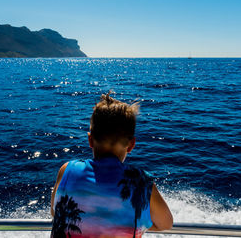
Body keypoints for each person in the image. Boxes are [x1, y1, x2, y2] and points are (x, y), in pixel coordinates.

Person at [50, 92, 173, 237]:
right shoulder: (140, 181)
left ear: (90, 140)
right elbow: (166, 223)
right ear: (131, 145)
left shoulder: (67, 171)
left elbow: (55, 211)